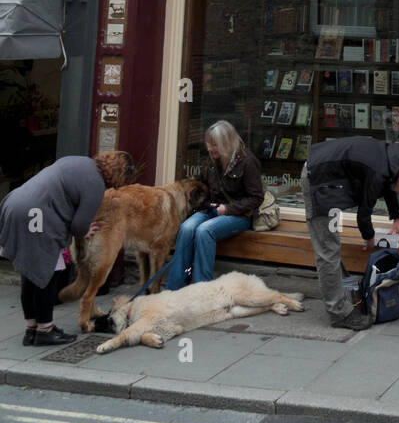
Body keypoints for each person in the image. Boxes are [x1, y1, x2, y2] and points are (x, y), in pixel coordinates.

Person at [0, 150, 135, 346]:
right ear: (120, 175)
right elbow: (79, 227)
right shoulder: (95, 184)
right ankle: (45, 330)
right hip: (38, 216)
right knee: (47, 274)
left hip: (13, 205)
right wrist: (85, 230)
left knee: (30, 275)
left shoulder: (77, 161)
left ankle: (31, 330)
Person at [301, 137, 399, 330]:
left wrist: (396, 217)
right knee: (327, 251)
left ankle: (348, 297)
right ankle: (339, 313)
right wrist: (369, 237)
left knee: (331, 247)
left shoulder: (395, 160)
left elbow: (388, 186)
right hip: (318, 181)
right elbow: (364, 211)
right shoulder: (379, 170)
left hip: (327, 178)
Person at [166, 121, 261, 289]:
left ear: (227, 143)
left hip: (239, 214)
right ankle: (175, 287)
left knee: (204, 231)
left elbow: (255, 198)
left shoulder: (248, 162)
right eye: (208, 144)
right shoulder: (211, 161)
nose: (210, 148)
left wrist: (228, 209)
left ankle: (203, 288)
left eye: (214, 145)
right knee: (187, 228)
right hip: (212, 208)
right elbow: (201, 185)